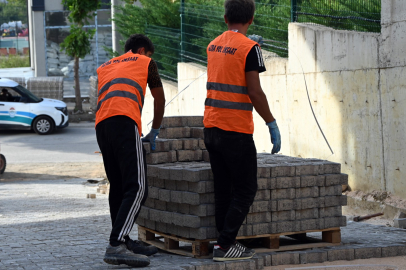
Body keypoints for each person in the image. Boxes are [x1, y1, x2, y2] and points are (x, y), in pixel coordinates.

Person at [203, 0, 281, 262]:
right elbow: (254, 91)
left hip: (211, 127)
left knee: (223, 188)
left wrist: (248, 43)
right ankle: (225, 246)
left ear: (225, 18)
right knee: (246, 189)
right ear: (252, 18)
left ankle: (223, 243)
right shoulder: (251, 48)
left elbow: (229, 62)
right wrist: (271, 122)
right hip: (235, 130)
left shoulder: (213, 45)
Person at [95, 34, 165, 267]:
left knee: (119, 186)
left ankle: (124, 240)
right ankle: (115, 245)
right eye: (149, 54)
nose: (149, 58)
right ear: (142, 50)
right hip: (124, 123)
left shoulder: (105, 66)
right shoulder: (146, 62)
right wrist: (155, 129)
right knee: (137, 187)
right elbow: (159, 97)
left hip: (101, 126)